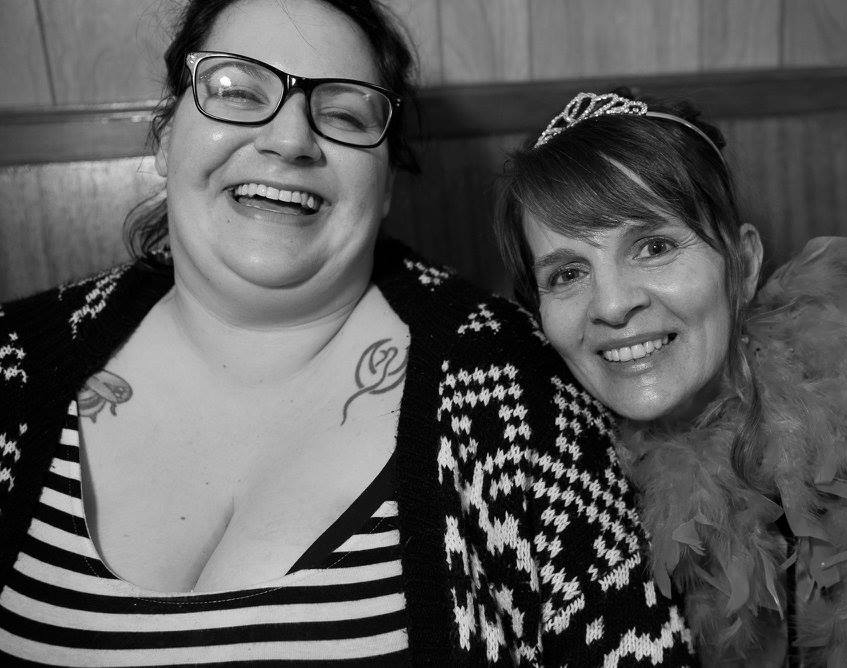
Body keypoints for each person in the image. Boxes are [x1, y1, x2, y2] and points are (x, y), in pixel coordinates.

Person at [0, 5, 699, 664]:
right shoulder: (13, 362)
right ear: (164, 136)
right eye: (237, 92)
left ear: (387, 182)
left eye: (341, 113)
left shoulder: (517, 384)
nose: (288, 140)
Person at [494, 91, 847, 666]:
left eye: (654, 246)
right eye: (567, 274)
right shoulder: (550, 488)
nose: (611, 305)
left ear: (743, 264)